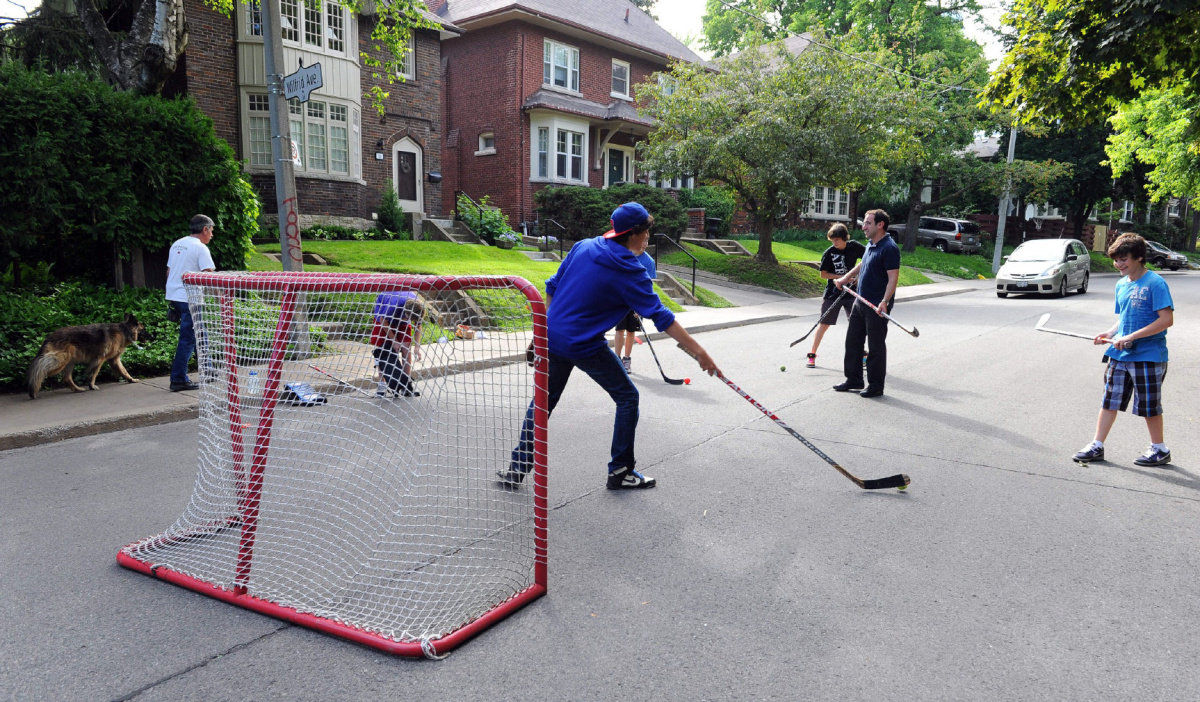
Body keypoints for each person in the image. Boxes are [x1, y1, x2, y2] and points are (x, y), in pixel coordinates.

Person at [501, 202, 720, 490]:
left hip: (553, 337)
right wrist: (700, 353)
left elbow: (551, 288)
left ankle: (516, 469)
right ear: (633, 234)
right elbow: (662, 317)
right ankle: (620, 471)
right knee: (628, 397)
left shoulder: (583, 246)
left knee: (543, 402)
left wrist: (539, 335)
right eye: (646, 233)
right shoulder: (630, 270)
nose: (648, 239)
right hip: (583, 344)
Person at [1073, 233, 1174, 466]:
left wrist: (1131, 337)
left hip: (1148, 355)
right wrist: (1110, 334)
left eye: (1124, 259)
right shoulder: (1121, 284)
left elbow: (1166, 320)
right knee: (1109, 400)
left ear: (1139, 257)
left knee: (1149, 405)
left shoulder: (1155, 283)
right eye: (1116, 260)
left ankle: (1160, 449)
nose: (1119, 264)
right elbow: (1124, 317)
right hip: (1119, 354)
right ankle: (1097, 446)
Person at [833, 209, 900, 398]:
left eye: (868, 223)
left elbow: (893, 278)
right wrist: (846, 278)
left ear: (880, 225)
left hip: (876, 305)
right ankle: (854, 379)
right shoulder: (871, 244)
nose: (864, 226)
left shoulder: (889, 247)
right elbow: (863, 263)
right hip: (860, 301)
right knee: (853, 342)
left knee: (875, 346)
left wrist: (885, 301)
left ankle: (876, 385)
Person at [165, 215, 216, 392]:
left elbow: (169, 271)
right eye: (211, 230)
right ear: (205, 229)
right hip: (190, 298)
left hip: (175, 295)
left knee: (200, 332)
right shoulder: (200, 248)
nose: (212, 235)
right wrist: (221, 296)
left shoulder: (177, 243)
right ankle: (178, 379)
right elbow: (208, 275)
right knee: (188, 339)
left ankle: (208, 369)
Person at [807, 223, 866, 369]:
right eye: (833, 240)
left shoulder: (854, 247)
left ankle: (862, 354)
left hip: (851, 292)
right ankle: (812, 354)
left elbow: (868, 259)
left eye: (837, 240)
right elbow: (823, 274)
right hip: (833, 294)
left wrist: (858, 276)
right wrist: (841, 277)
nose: (835, 243)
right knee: (824, 324)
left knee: (857, 324)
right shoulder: (829, 253)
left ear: (844, 238)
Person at [370, 292, 425, 398]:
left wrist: (417, 347)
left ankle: (406, 384)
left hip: (402, 320)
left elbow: (418, 326)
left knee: (406, 346)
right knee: (383, 350)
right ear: (406, 312)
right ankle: (382, 385)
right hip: (384, 319)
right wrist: (394, 340)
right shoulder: (393, 304)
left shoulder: (418, 307)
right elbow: (383, 320)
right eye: (410, 318)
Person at [612, 247, 658, 371]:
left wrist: (642, 305)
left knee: (631, 331)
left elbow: (648, 286)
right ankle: (617, 359)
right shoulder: (624, 255)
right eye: (643, 240)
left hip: (637, 302)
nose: (644, 244)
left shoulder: (648, 262)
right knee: (620, 329)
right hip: (622, 300)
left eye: (647, 240)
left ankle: (626, 360)